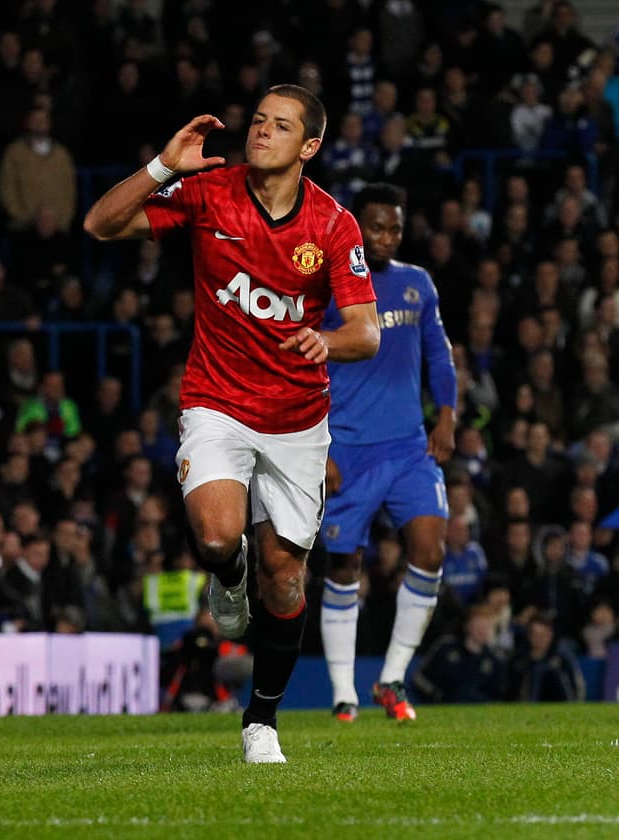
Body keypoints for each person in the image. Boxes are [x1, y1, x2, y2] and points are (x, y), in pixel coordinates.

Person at [83, 84, 380, 763]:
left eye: (280, 126)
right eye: (257, 121)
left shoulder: (333, 225)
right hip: (215, 399)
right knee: (218, 537)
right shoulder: (210, 192)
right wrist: (163, 168)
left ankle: (262, 721)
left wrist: (323, 341)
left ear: (309, 146)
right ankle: (226, 572)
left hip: (297, 420)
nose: (260, 133)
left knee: (284, 578)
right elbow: (99, 225)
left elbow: (365, 332)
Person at [317, 183, 456, 724]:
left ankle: (392, 677)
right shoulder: (329, 287)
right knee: (344, 562)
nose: (384, 237)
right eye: (375, 226)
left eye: (393, 228)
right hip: (345, 449)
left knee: (430, 549)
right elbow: (307, 368)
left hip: (406, 447)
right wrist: (319, 444)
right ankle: (341, 693)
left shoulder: (417, 284)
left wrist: (445, 415)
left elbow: (440, 358)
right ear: (356, 227)